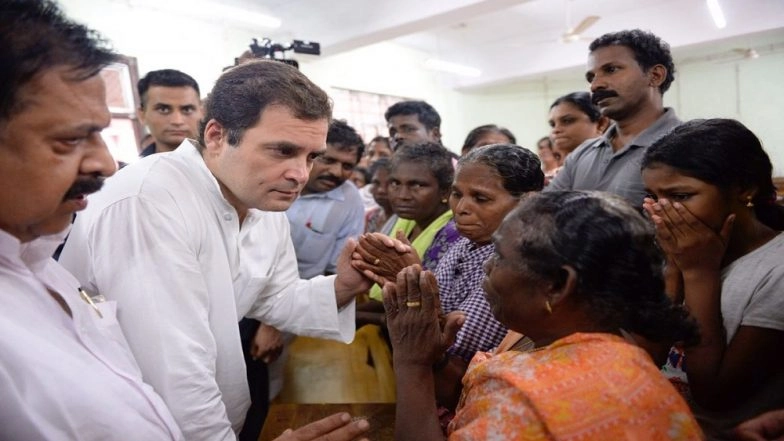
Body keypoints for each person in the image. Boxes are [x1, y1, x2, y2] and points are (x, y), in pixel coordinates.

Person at [59, 60, 374, 441]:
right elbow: (175, 373)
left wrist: (344, 286)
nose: (300, 174)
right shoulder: (150, 201)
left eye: (310, 156)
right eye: (282, 151)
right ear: (216, 136)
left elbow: (275, 297)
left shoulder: (259, 199)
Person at [385, 191, 704, 440]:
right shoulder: (633, 362)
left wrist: (411, 362)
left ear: (557, 286)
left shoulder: (518, 393)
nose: (487, 266)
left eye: (500, 256)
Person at [642, 118, 784, 439]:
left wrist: (698, 273)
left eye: (680, 195)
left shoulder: (776, 270)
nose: (661, 210)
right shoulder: (675, 249)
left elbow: (714, 395)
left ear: (744, 189)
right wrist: (674, 269)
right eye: (652, 195)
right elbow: (645, 359)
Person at [432, 144, 544, 417]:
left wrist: (417, 293)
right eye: (456, 194)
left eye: (481, 199)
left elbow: (457, 344)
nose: (461, 208)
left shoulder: (519, 260)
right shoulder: (461, 243)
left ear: (527, 201)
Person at [547, 29, 679, 207]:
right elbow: (544, 213)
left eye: (611, 70)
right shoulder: (582, 154)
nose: (595, 85)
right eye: (591, 77)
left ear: (655, 76)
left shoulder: (688, 146)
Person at [355, 142, 460, 325]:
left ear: (445, 190)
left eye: (417, 185)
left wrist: (350, 317)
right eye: (395, 183)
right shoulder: (406, 220)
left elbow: (425, 310)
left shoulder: (453, 233)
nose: (402, 195)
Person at [136, 69, 202, 156]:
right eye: (163, 110)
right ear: (142, 115)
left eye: (187, 110)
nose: (177, 121)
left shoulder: (222, 167)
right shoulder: (133, 169)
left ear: (202, 112)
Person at [547, 91, 609, 167]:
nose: (556, 130)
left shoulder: (615, 166)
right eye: (553, 125)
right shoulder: (557, 175)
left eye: (567, 121)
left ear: (601, 124)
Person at [364, 158, 396, 234]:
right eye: (376, 183)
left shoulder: (405, 221)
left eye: (389, 184)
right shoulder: (370, 216)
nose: (381, 190)